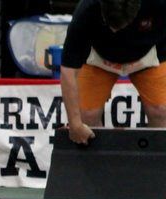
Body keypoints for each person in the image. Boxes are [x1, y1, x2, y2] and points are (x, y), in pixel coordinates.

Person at [61, 0, 166, 144]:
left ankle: (158, 163)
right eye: (111, 25)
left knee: (161, 111)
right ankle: (96, 164)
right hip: (99, 58)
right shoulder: (86, 8)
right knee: (86, 116)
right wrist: (75, 124)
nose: (116, 32)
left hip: (148, 55)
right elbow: (68, 70)